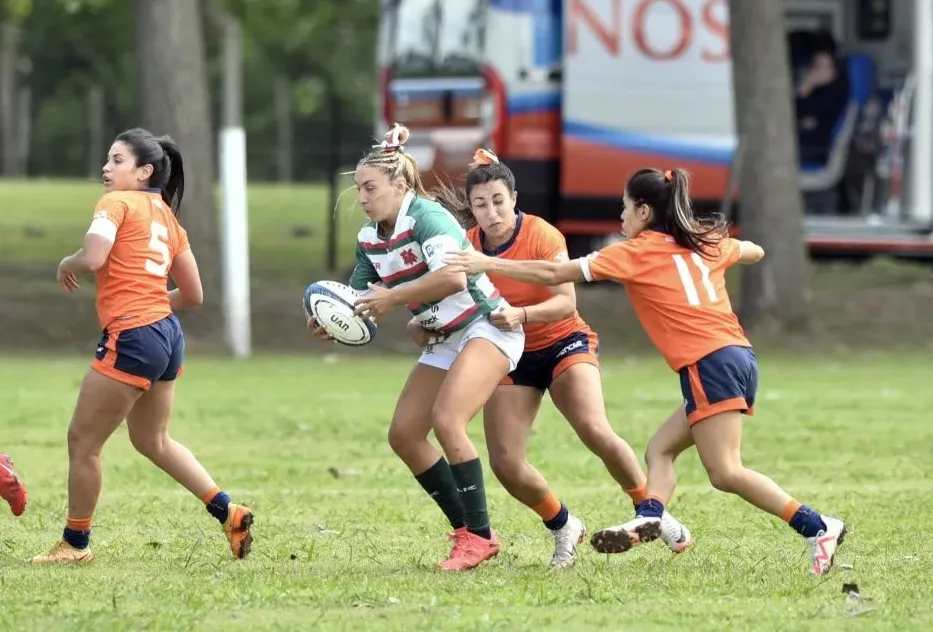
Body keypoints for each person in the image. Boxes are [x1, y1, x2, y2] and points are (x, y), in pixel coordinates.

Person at [444, 168, 846, 576]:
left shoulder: (634, 253)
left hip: (708, 362)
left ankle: (817, 526)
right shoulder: (704, 242)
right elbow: (754, 251)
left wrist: (487, 262)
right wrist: (711, 241)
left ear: (643, 211)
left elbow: (554, 274)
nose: (621, 216)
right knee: (660, 450)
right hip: (737, 357)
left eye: (624, 208)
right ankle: (650, 515)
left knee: (726, 472)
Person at [415, 149, 690, 568]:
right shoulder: (466, 246)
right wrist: (423, 322)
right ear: (470, 208)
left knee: (594, 429)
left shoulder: (542, 234)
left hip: (563, 341)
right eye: (480, 204)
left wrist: (521, 315)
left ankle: (651, 511)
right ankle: (564, 525)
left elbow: (565, 303)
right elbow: (450, 303)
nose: (491, 212)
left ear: (514, 198)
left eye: (498, 201)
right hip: (509, 353)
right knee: (506, 462)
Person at [307, 124, 525, 572]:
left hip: (487, 326)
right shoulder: (369, 239)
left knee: (448, 420)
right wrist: (333, 321)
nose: (362, 198)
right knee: (404, 434)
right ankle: (470, 532)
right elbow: (360, 301)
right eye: (358, 189)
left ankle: (478, 537)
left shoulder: (428, 217)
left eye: (370, 188)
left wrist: (392, 297)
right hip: (444, 337)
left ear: (400, 185)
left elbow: (453, 278)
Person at [33, 128, 253, 564]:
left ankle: (75, 544)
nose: (106, 168)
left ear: (144, 171)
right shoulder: (168, 218)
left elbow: (93, 257)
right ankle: (227, 511)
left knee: (83, 441)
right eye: (107, 159)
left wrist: (66, 262)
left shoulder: (115, 203)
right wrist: (150, 305)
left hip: (135, 335)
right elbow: (194, 295)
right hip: (167, 334)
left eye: (117, 160)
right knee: (153, 439)